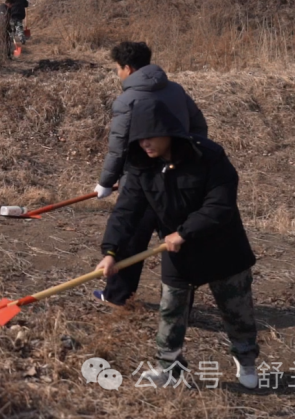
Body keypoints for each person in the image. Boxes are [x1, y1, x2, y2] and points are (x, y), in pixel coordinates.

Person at [96, 98, 259, 389]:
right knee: (171, 309)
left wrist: (185, 232)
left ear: (169, 131)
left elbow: (220, 204)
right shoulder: (141, 165)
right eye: (139, 138)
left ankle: (245, 359)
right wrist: (111, 251)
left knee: (237, 309)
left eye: (150, 136)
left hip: (222, 246)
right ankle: (169, 367)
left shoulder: (208, 156)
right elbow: (126, 212)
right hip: (178, 251)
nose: (145, 143)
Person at [93, 41, 208, 307]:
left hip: (142, 177)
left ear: (128, 68)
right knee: (177, 239)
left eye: (118, 69)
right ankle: (180, 304)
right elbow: (199, 125)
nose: (118, 74)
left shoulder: (127, 100)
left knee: (131, 235)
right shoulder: (175, 90)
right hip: (178, 177)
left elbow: (119, 146)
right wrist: (187, 158)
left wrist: (105, 182)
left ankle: (119, 296)